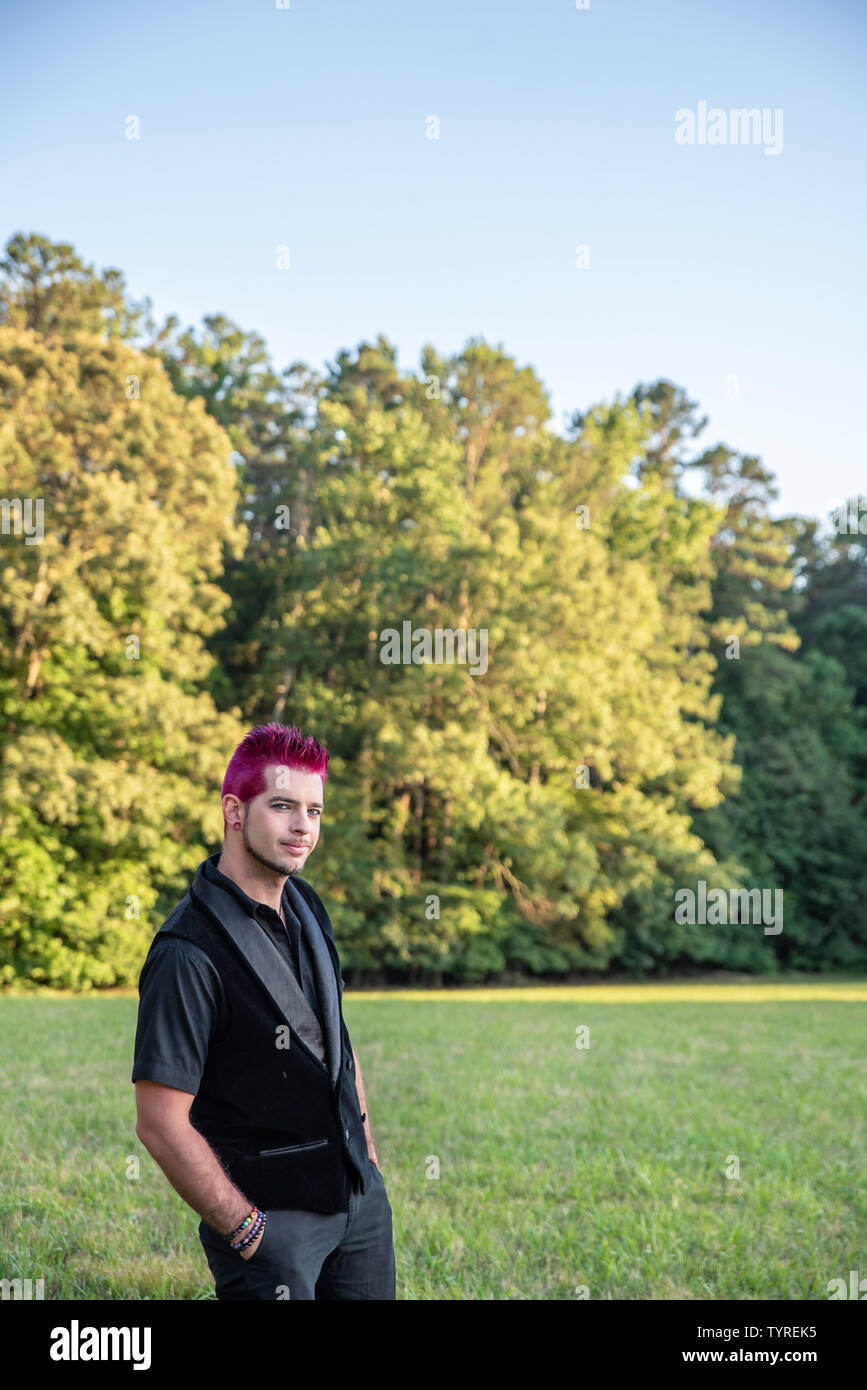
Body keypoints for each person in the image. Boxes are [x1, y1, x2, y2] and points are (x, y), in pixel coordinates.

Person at [131, 721, 396, 1300]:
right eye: (282, 806)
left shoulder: (305, 904)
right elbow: (158, 1121)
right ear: (234, 810)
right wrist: (247, 1231)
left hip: (359, 1206)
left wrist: (367, 1161)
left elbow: (337, 1041)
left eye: (316, 811)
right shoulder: (187, 951)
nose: (304, 827)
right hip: (271, 1228)